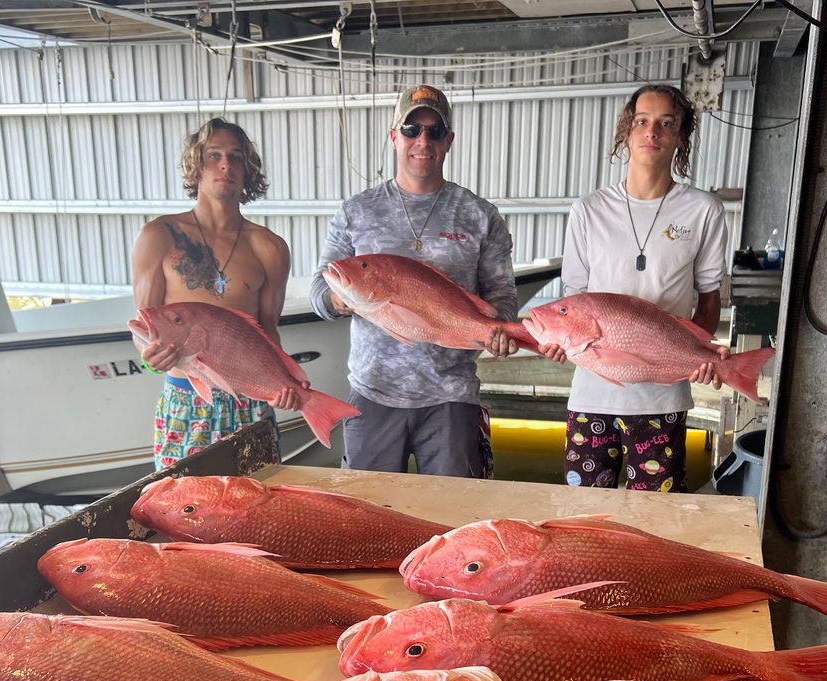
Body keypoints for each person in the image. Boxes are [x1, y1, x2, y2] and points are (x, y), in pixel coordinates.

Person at [310, 84, 518, 479]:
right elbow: (321, 291)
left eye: (435, 131)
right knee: (369, 518)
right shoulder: (357, 211)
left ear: (449, 141)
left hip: (452, 396)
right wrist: (342, 299)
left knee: (453, 515)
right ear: (394, 137)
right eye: (411, 129)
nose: (423, 141)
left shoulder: (480, 214)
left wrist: (500, 331)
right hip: (373, 393)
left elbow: (502, 297)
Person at [540, 84, 728, 493]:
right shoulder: (588, 210)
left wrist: (703, 352)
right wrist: (557, 341)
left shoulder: (703, 210)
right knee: (582, 515)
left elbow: (709, 295)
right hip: (592, 397)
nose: (652, 132)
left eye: (666, 123)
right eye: (642, 121)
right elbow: (573, 299)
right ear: (627, 131)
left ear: (681, 136)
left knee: (658, 519)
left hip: (662, 400)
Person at [132, 117, 298, 469]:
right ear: (196, 166)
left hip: (250, 405)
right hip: (186, 402)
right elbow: (144, 328)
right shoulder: (158, 235)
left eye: (236, 157)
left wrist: (286, 386)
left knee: (257, 512)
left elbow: (268, 332)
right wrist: (149, 359)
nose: (226, 165)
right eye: (214, 155)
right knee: (178, 509)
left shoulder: (270, 248)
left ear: (248, 170)